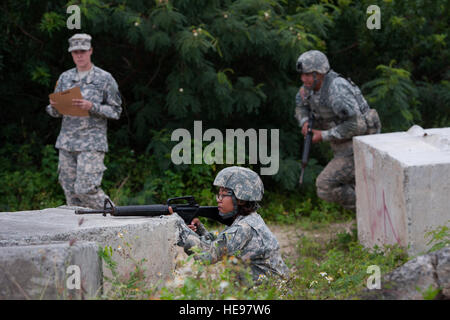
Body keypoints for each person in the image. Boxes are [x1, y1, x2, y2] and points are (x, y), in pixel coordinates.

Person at [294, 50, 381, 212]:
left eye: (307, 75)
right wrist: (305, 121)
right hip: (344, 147)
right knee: (356, 184)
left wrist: (323, 135)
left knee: (324, 185)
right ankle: (367, 217)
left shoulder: (336, 89)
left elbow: (358, 125)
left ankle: (370, 210)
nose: (303, 79)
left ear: (319, 74)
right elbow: (300, 106)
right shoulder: (308, 89)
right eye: (302, 75)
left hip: (361, 146)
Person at [172, 166, 289, 282]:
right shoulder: (249, 220)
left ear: (241, 199)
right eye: (219, 194)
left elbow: (207, 256)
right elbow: (219, 243)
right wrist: (199, 230)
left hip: (268, 291)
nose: (219, 199)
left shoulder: (244, 228)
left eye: (224, 195)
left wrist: (177, 226)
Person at [46, 33, 122, 209]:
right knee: (70, 192)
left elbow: (116, 111)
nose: (79, 55)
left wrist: (92, 106)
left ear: (91, 51)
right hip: (67, 142)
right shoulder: (65, 78)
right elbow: (54, 112)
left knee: (85, 189)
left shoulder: (104, 78)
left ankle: (116, 216)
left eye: (83, 51)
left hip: (91, 143)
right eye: (75, 52)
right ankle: (81, 231)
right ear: (71, 54)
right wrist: (55, 106)